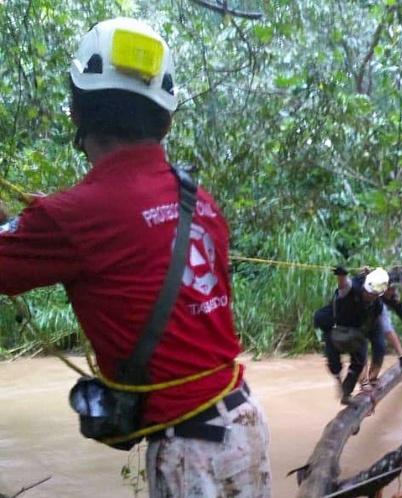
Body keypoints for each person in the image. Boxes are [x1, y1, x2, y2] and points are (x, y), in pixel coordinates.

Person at [0, 18, 270, 498]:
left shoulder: (74, 215)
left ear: (78, 111)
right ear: (164, 117)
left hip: (191, 449)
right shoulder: (197, 198)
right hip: (243, 421)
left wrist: (34, 224)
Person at [313, 266, 390, 405]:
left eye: (372, 295)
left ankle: (346, 392)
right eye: (367, 292)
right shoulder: (353, 287)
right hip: (336, 327)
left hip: (356, 332)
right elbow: (344, 284)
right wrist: (341, 275)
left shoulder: (377, 305)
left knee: (359, 362)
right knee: (334, 363)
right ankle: (338, 382)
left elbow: (376, 335)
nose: (369, 296)